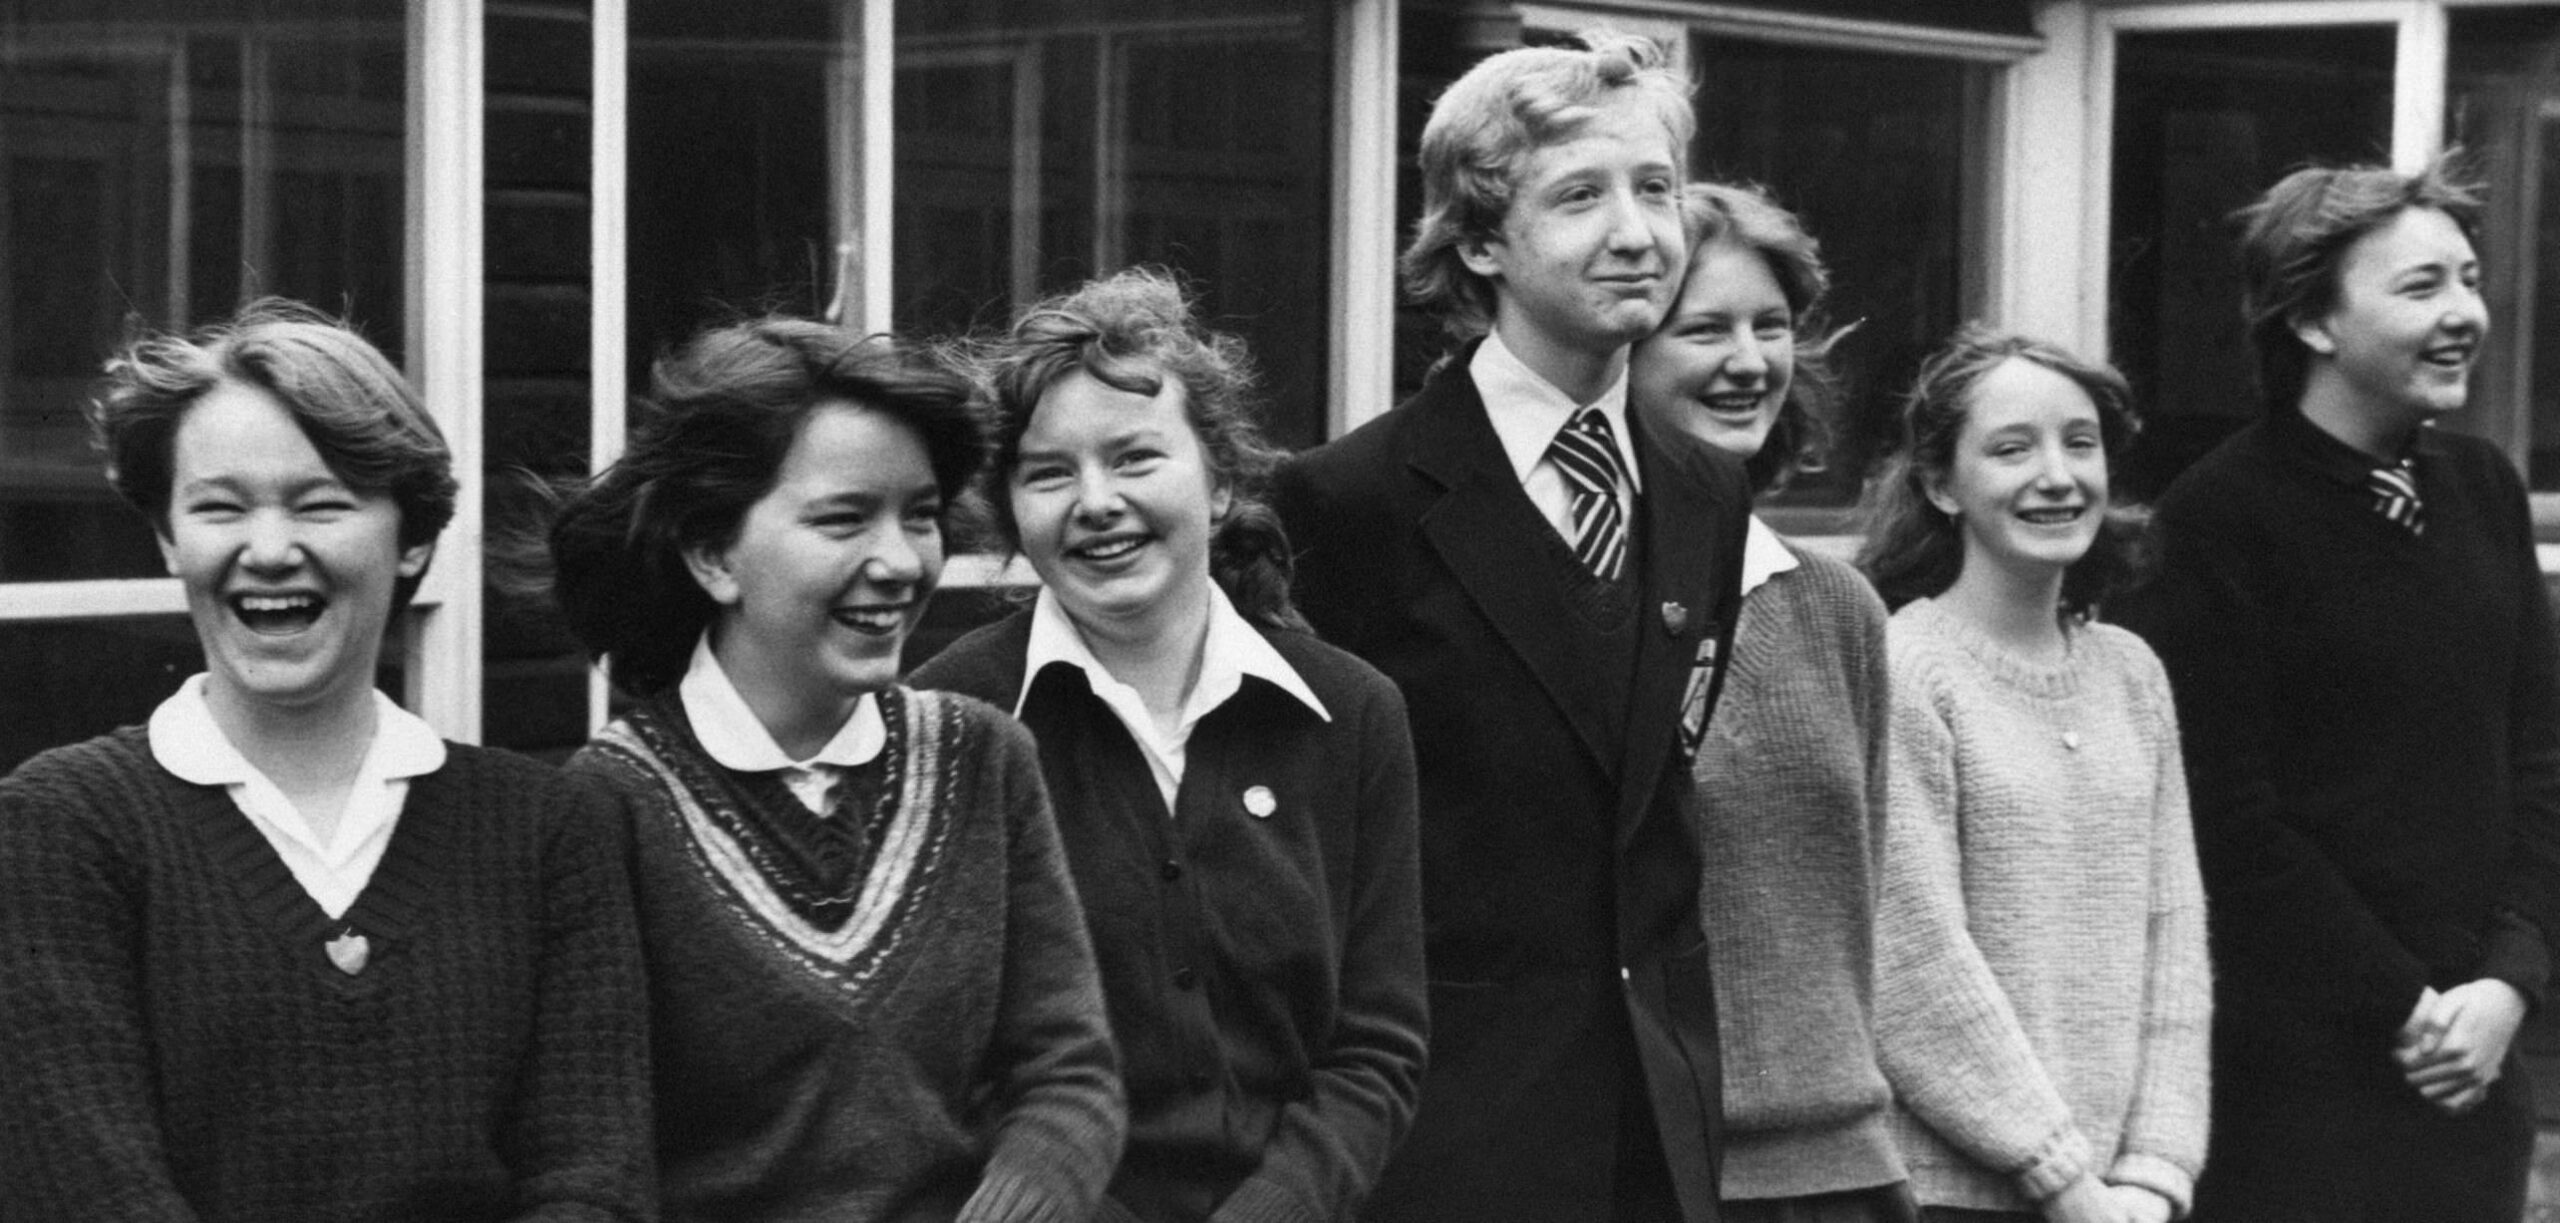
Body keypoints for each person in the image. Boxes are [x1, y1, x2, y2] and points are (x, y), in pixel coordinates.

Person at [0, 300, 653, 1220]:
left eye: (323, 505)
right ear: (167, 537)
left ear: (414, 538)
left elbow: (596, 1184)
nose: (269, 551)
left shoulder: (549, 830)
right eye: (219, 508)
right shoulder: (61, 827)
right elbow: (89, 1192)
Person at [1272, 30, 1752, 1223]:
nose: (1637, 231)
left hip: (1658, 1130)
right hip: (1444, 1135)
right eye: (1580, 195)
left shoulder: (1706, 488)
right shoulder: (1348, 501)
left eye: (1656, 189)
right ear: (1479, 240)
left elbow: (1657, 789)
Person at [545, 318, 1124, 1223]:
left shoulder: (984, 757)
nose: (898, 562)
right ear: (714, 553)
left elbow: (1069, 1075)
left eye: (921, 515)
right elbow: (596, 1162)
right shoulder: (613, 801)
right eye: (843, 518)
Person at [910, 268, 1427, 1223]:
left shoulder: (1351, 714)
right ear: (1011, 510)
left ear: (1221, 480)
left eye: (1135, 457)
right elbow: (943, 1063)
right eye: (1050, 472)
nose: (1095, 501)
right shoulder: (947, 721)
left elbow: (1377, 1048)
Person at [2110, 158, 2560, 1222]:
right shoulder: (2216, 522)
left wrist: (2508, 981)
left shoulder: (2483, 487)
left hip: (2477, 1068)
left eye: (2467, 279)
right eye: (2419, 288)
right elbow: (2227, 820)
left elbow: (2542, 754)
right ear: (2310, 319)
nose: (2462, 313)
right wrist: (2405, 1006)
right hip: (2299, 1096)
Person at [1856, 327, 2209, 1223]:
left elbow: (2173, 942)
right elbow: (1912, 962)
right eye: (2012, 448)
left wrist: (2154, 1174)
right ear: (1941, 484)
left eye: (2079, 442)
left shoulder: (2132, 673)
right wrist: (2064, 1179)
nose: (2057, 475)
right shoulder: (1910, 669)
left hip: (2121, 1203)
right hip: (1953, 1198)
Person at [1627, 181, 1912, 1223]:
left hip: (1842, 1171)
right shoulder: (1575, 604)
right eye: (1703, 327)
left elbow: (1866, 895)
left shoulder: (1839, 606)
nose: (1748, 361)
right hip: (1657, 1167)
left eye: (1772, 326)